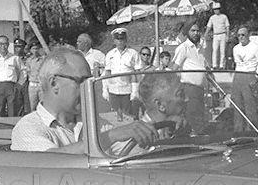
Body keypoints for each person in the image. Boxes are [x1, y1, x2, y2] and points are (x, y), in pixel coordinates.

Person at [10, 48, 157, 153]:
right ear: (54, 83)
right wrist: (110, 137)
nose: (88, 88)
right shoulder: (27, 128)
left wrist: (151, 138)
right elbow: (51, 162)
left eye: (90, 82)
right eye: (81, 81)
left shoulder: (96, 124)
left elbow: (132, 152)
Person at [171, 20, 208, 132]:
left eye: (197, 31)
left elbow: (204, 66)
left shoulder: (202, 48)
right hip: (188, 88)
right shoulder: (184, 47)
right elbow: (174, 68)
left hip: (200, 89)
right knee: (193, 117)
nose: (196, 33)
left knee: (200, 115)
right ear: (187, 32)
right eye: (193, 31)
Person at [103, 27, 143, 121]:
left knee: (128, 116)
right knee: (115, 117)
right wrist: (105, 89)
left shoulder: (133, 53)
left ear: (126, 40)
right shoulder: (110, 54)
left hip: (127, 90)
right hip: (113, 90)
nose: (120, 41)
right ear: (114, 41)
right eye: (118, 39)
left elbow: (137, 73)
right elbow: (107, 72)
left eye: (122, 39)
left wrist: (135, 90)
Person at [232, 26, 258, 128]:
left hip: (250, 75)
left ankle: (251, 130)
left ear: (248, 35)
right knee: (237, 106)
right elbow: (238, 65)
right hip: (238, 76)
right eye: (238, 35)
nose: (241, 37)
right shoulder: (235, 48)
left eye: (243, 35)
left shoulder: (255, 47)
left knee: (250, 106)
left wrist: (256, 81)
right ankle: (238, 130)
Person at [206, 2, 230, 68]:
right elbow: (209, 26)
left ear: (220, 9)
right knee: (215, 50)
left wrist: (227, 36)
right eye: (215, 9)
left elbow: (227, 27)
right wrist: (206, 34)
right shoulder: (212, 17)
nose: (216, 10)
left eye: (217, 9)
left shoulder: (224, 17)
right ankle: (214, 65)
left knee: (222, 51)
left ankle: (222, 65)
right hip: (215, 35)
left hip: (223, 34)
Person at [25, 41, 45, 113]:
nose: (35, 50)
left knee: (43, 105)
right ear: (30, 50)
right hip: (32, 85)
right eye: (33, 49)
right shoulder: (29, 60)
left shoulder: (43, 59)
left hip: (41, 84)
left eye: (37, 48)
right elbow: (27, 72)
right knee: (33, 106)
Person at [12, 38, 30, 116]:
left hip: (27, 83)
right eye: (16, 47)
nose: (17, 49)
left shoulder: (29, 58)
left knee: (27, 103)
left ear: (23, 47)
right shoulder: (12, 58)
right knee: (17, 103)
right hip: (16, 84)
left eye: (19, 47)